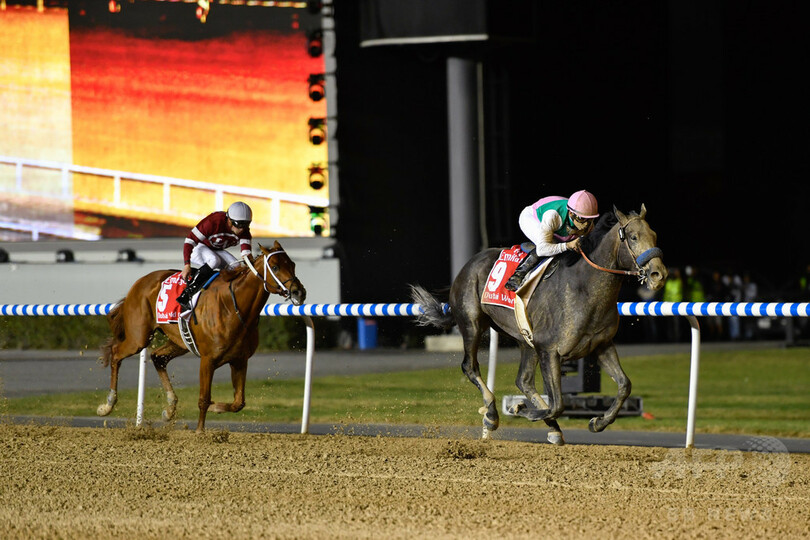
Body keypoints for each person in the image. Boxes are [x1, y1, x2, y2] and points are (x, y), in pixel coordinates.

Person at [504, 190, 599, 292]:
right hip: (532, 218)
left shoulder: (587, 223)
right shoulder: (553, 215)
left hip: (556, 227)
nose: (586, 225)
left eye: (590, 219)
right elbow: (542, 250)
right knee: (551, 247)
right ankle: (517, 276)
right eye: (582, 219)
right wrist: (568, 245)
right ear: (571, 213)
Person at [175, 201, 254, 311]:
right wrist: (187, 265)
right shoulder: (213, 222)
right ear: (229, 220)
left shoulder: (245, 230)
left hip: (215, 250)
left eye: (246, 225)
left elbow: (246, 254)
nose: (242, 229)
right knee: (214, 260)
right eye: (239, 225)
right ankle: (187, 294)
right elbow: (189, 241)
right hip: (198, 248)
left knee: (236, 267)